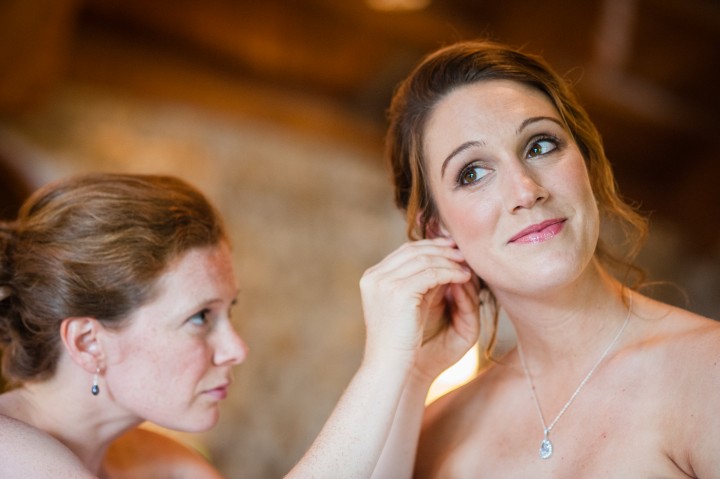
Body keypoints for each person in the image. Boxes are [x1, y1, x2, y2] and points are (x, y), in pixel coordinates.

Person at [360, 40, 720, 478]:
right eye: (472, 172)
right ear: (439, 230)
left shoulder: (707, 372)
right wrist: (407, 373)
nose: (526, 190)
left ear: (586, 162)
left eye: (540, 145)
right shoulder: (436, 430)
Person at [0, 172, 475, 478]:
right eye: (200, 317)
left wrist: (411, 372)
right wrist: (381, 360)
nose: (235, 349)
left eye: (229, 312)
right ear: (88, 341)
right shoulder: (13, 454)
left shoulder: (155, 464)